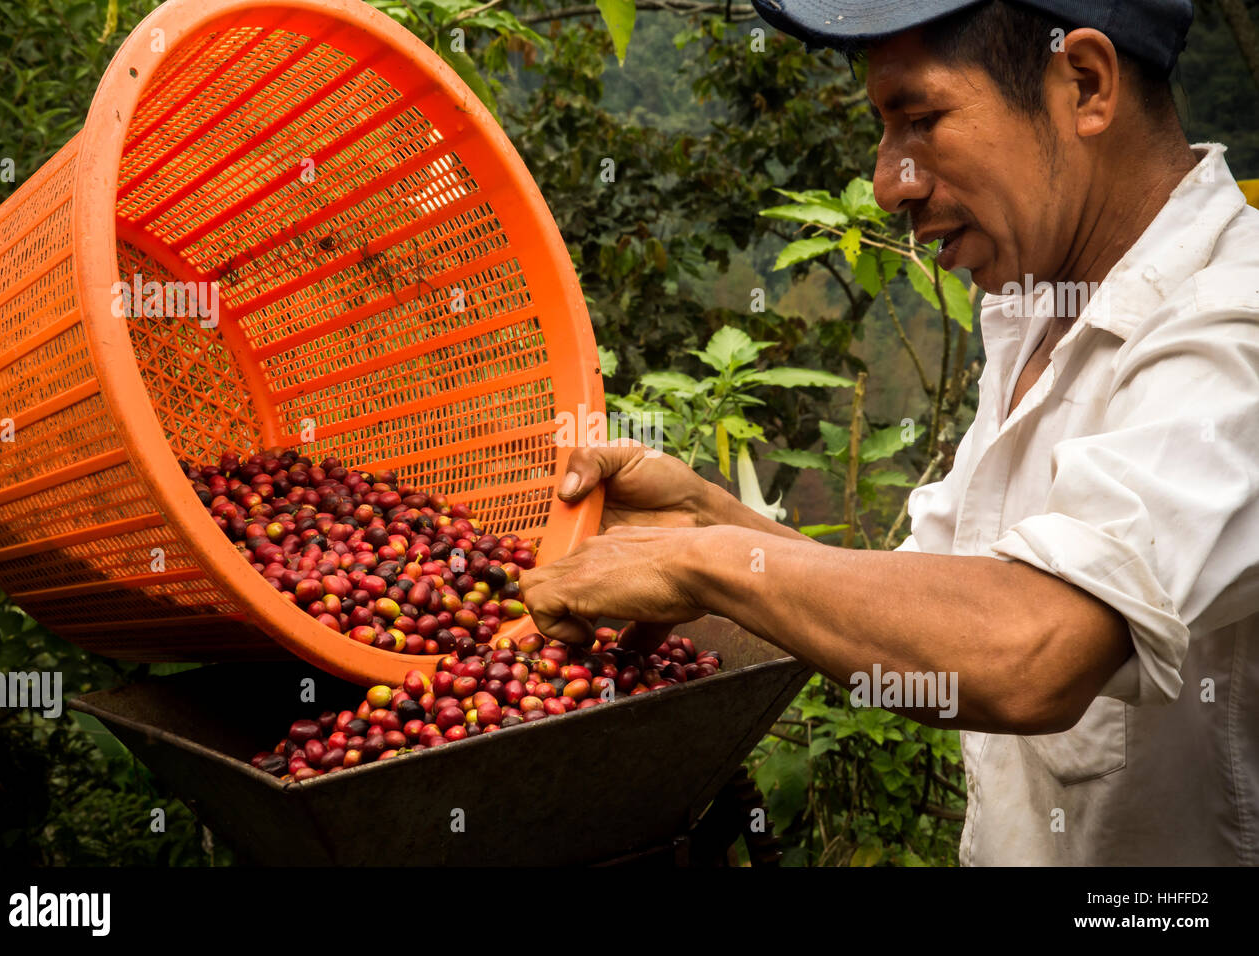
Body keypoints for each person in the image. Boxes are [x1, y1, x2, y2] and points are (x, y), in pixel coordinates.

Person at [522, 0, 1259, 865]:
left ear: (1085, 84)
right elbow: (927, 604)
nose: (889, 183)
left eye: (921, 119)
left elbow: (1035, 647)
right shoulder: (1035, 315)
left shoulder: (1231, 326)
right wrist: (705, 518)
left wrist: (700, 562)